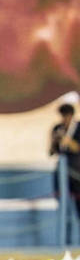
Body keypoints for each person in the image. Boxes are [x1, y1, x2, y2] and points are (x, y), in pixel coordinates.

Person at [50, 100, 80, 238]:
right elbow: (51, 152)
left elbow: (77, 148)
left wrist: (68, 141)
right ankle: (64, 240)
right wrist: (54, 141)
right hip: (61, 172)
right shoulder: (57, 128)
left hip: (77, 172)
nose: (64, 119)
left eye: (67, 116)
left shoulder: (78, 128)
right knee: (63, 206)